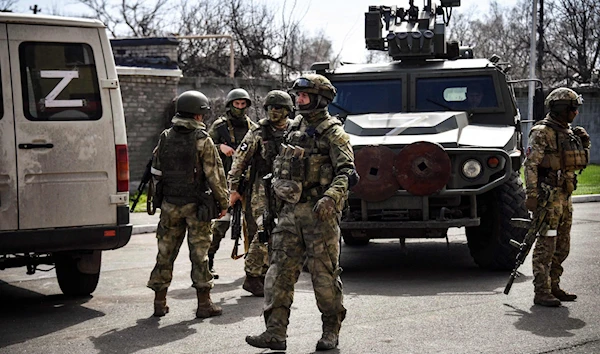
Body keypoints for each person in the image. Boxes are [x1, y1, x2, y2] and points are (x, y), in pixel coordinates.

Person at [245, 74, 359, 351]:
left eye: (304, 96)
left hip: (319, 215)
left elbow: (347, 172)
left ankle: (331, 330)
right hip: (288, 213)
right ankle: (275, 333)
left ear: (320, 99)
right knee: (278, 273)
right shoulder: (294, 127)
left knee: (324, 276)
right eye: (298, 95)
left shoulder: (333, 132)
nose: (299, 100)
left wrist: (332, 197)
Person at [147, 90, 229, 318]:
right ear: (199, 115)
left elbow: (157, 170)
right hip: (197, 207)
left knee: (165, 253)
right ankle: (204, 305)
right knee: (200, 255)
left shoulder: (165, 136)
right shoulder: (203, 140)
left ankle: (159, 302)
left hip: (170, 204)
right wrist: (223, 202)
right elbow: (215, 175)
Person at [524, 87, 591, 307]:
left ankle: (554, 285)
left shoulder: (569, 132)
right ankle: (541, 291)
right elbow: (531, 164)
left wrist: (584, 145)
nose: (575, 113)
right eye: (572, 109)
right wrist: (531, 194)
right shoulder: (542, 132)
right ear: (561, 109)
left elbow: (576, 162)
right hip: (548, 198)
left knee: (563, 245)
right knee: (547, 244)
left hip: (564, 196)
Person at [228, 90, 294, 297]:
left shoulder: (295, 130)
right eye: (270, 108)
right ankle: (252, 275)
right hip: (261, 189)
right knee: (264, 230)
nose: (274, 111)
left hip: (287, 189)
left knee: (284, 232)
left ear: (287, 110)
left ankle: (267, 272)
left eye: (278, 108)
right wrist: (233, 190)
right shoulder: (257, 132)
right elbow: (239, 161)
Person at [207, 88, 259, 278]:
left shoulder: (252, 128)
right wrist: (220, 147)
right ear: (230, 105)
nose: (239, 107)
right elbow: (203, 146)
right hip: (224, 183)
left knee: (252, 226)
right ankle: (208, 262)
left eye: (242, 104)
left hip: (247, 182)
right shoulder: (219, 126)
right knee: (220, 225)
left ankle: (253, 267)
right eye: (236, 104)